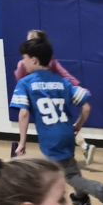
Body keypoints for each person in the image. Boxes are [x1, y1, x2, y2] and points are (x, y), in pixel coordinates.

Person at [11, 35, 103, 205]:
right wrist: (77, 126)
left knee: (68, 176)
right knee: (70, 167)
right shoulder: (62, 82)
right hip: (67, 132)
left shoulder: (26, 83)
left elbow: (23, 114)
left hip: (50, 138)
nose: (23, 62)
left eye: (24, 58)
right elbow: (86, 107)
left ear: (34, 60)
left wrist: (21, 142)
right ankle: (81, 198)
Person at [15, 30, 96, 166]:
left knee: (51, 128)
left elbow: (19, 79)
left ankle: (80, 150)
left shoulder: (25, 65)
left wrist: (74, 88)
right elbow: (64, 75)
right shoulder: (49, 62)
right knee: (61, 124)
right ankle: (83, 147)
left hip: (38, 97)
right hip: (52, 96)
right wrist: (74, 87)